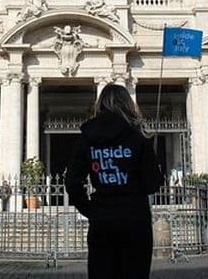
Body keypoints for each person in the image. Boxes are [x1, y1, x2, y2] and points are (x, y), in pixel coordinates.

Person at [67, 84, 162, 279]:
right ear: (128, 103)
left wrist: (90, 209)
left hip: (103, 217)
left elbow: (72, 180)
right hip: (135, 217)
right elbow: (152, 183)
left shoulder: (88, 135)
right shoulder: (138, 134)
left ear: (100, 104)